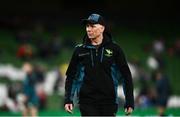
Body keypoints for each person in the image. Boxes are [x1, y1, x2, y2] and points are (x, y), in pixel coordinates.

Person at [64, 13, 134, 116]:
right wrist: (68, 100)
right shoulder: (79, 50)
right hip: (86, 102)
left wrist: (129, 101)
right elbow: (71, 76)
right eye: (87, 26)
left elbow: (126, 76)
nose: (88, 29)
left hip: (109, 102)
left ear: (102, 28)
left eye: (92, 26)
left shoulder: (115, 49)